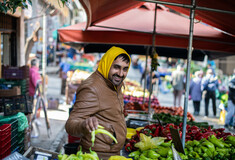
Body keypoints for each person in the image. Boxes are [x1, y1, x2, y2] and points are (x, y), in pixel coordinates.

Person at [65, 46, 131, 159]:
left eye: (125, 69)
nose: (121, 73)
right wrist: (83, 125)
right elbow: (70, 124)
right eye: (116, 67)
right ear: (106, 63)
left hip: (112, 153)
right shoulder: (92, 88)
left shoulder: (115, 84)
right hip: (97, 155)